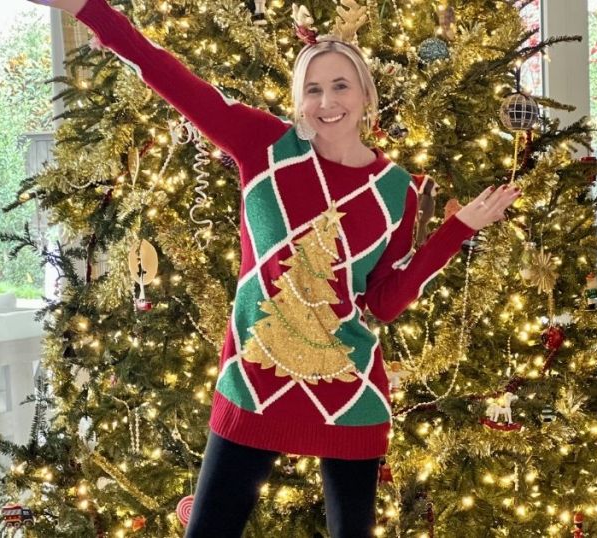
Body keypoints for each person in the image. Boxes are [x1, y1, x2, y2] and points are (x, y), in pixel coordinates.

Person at [28, 1, 522, 536]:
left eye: (341, 86)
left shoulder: (396, 189)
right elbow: (167, 73)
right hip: (254, 380)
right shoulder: (264, 147)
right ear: (298, 100)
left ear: (365, 96)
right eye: (313, 89)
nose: (328, 101)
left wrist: (457, 230)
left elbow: (382, 302)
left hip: (350, 391)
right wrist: (88, 8)